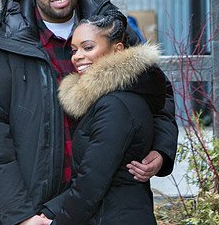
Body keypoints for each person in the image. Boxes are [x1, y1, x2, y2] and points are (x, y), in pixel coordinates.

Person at [0, 0, 176, 225]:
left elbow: (157, 91)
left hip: (104, 200)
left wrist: (161, 150)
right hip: (33, 205)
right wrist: (20, 214)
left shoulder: (110, 28)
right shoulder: (3, 41)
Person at [38, 13, 173, 224]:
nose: (77, 56)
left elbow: (92, 182)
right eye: (74, 50)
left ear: (118, 49)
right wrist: (52, 210)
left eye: (88, 47)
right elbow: (109, 177)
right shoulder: (115, 98)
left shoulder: (116, 105)